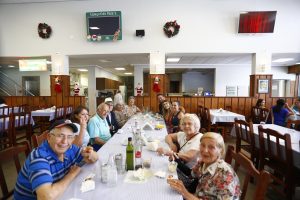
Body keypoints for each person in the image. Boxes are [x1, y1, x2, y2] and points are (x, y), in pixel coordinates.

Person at [14, 119, 98, 200]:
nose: (65, 141)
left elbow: (94, 157)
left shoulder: (70, 148)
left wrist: (91, 153)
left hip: (60, 193)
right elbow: (46, 197)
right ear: (49, 137)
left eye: (69, 137)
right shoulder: (39, 158)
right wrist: (72, 174)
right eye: (60, 135)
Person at [167, 132, 241, 199]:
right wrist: (195, 173)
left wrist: (184, 192)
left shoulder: (225, 175)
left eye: (211, 147)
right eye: (202, 145)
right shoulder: (204, 162)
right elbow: (193, 175)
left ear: (220, 150)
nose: (205, 150)